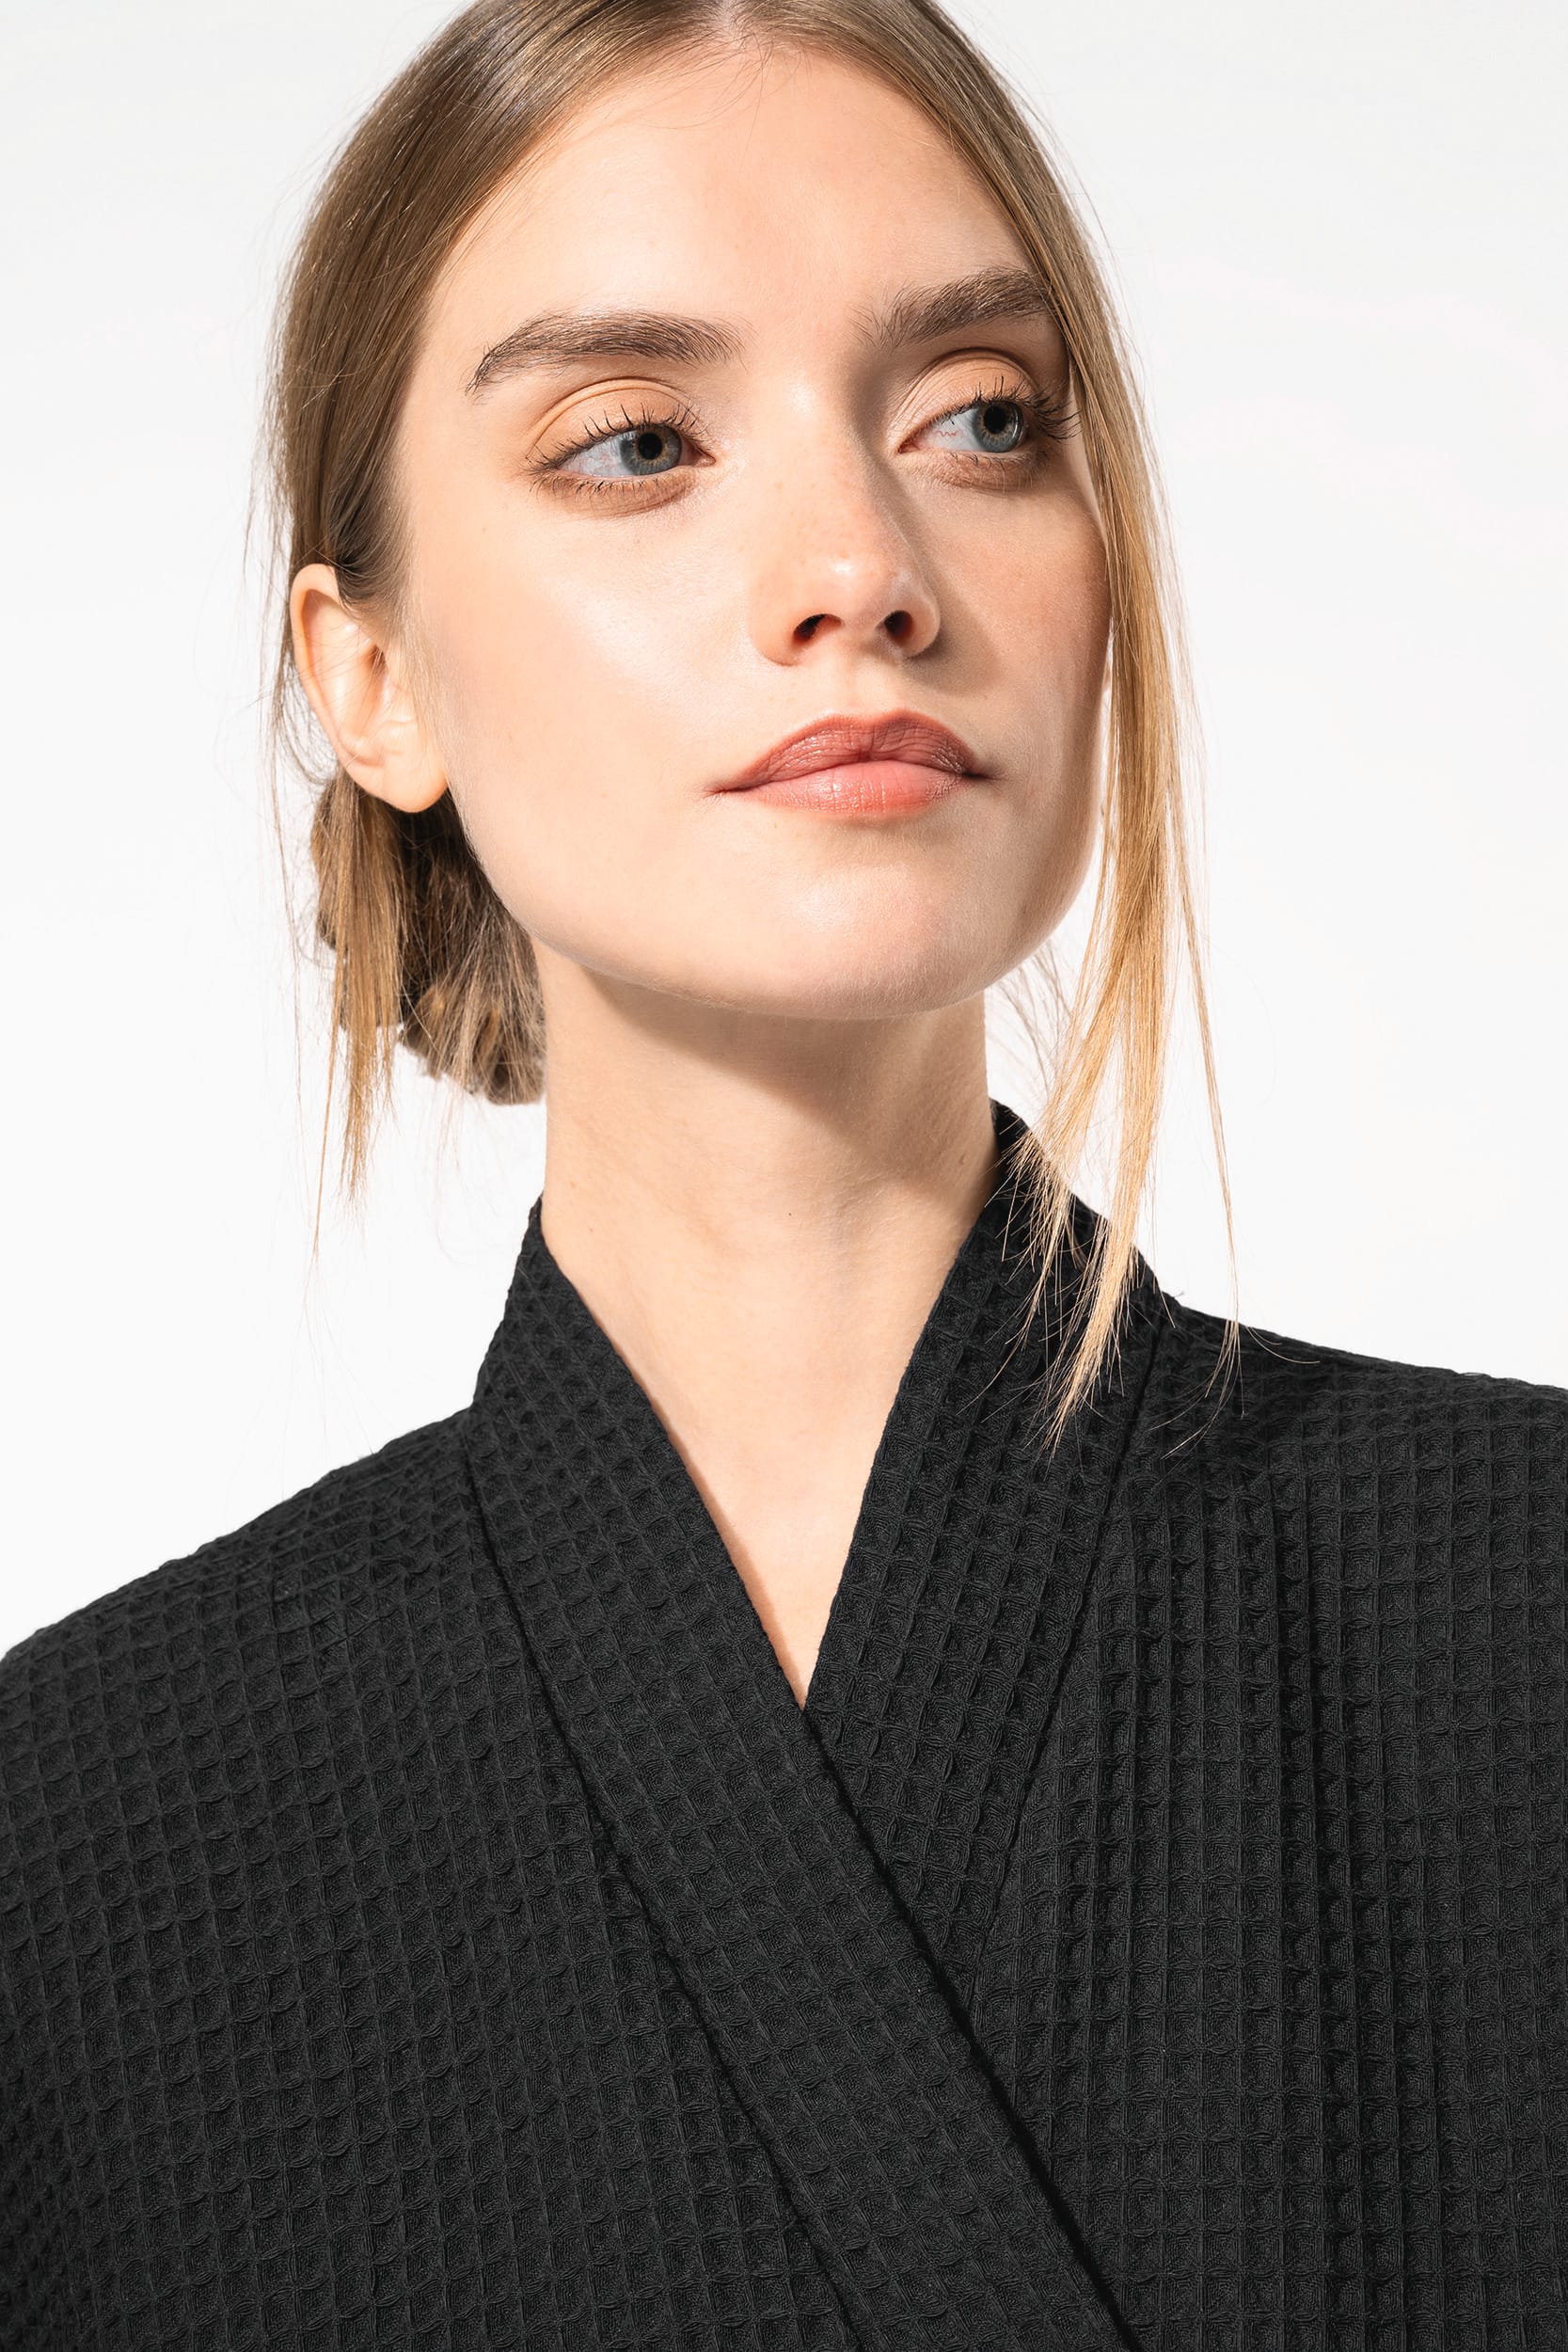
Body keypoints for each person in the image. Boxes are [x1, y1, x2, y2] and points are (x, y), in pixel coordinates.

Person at [2, 2, 1563, 2344]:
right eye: (638, 442)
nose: (862, 566)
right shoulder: (75, 1848)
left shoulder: (1523, 1615)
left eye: (982, 418)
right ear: (369, 671)